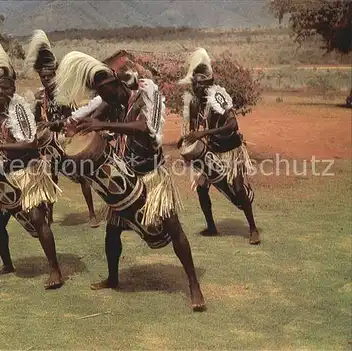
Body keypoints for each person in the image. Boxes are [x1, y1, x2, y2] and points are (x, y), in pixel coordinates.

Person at [55, 51, 206, 311]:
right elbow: (87, 117)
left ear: (117, 82)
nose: (104, 97)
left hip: (153, 177)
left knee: (173, 227)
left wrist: (101, 125)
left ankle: (194, 285)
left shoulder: (150, 92)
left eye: (106, 90)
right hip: (125, 176)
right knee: (112, 231)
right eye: (100, 93)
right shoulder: (109, 100)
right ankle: (113, 278)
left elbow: (146, 128)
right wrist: (70, 126)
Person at [0, 32, 64, 289]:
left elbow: (31, 143)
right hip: (5, 175)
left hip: (29, 171)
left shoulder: (21, 110)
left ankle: (55, 271)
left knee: (38, 219)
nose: (1, 91)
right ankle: (7, 264)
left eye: (6, 87)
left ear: (13, 88)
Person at [177, 48, 260, 245]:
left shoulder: (219, 97)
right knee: (201, 187)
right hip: (213, 151)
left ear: (204, 85)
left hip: (231, 151)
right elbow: (193, 130)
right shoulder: (195, 103)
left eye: (196, 84)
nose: (193, 87)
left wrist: (204, 133)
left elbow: (233, 125)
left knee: (239, 190)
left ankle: (253, 228)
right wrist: (187, 141)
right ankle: (211, 226)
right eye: (192, 83)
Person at [25, 29, 100, 228]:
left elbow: (68, 118)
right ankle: (49, 217)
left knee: (83, 176)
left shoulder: (64, 93)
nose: (46, 80)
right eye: (42, 77)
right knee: (50, 177)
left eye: (49, 76)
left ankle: (92, 213)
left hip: (67, 137)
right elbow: (37, 119)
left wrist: (51, 125)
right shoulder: (42, 96)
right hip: (51, 143)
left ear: (55, 74)